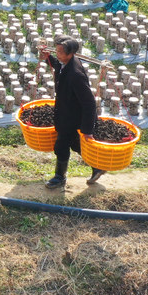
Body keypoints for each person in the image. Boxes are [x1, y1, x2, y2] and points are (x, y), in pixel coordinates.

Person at [38, 35, 100, 189]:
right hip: (65, 110)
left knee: (61, 145)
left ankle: (59, 177)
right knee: (74, 144)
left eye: (60, 52)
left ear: (70, 54)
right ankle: (97, 166)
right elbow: (59, 67)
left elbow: (89, 103)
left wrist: (87, 130)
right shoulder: (66, 63)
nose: (57, 53)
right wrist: (48, 58)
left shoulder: (76, 75)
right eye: (56, 50)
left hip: (72, 117)